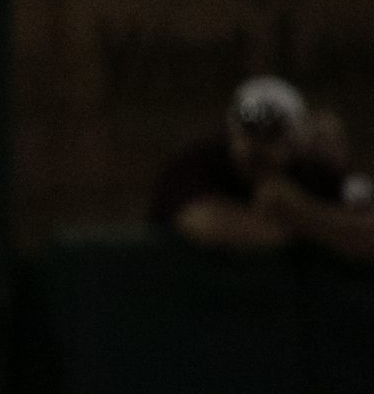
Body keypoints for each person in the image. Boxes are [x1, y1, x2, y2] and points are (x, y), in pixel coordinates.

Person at [152, 77, 374, 260]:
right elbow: (207, 224)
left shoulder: (308, 170)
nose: (257, 146)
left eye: (272, 134)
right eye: (249, 131)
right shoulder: (199, 162)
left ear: (295, 140)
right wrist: (306, 228)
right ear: (232, 131)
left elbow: (366, 231)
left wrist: (299, 211)